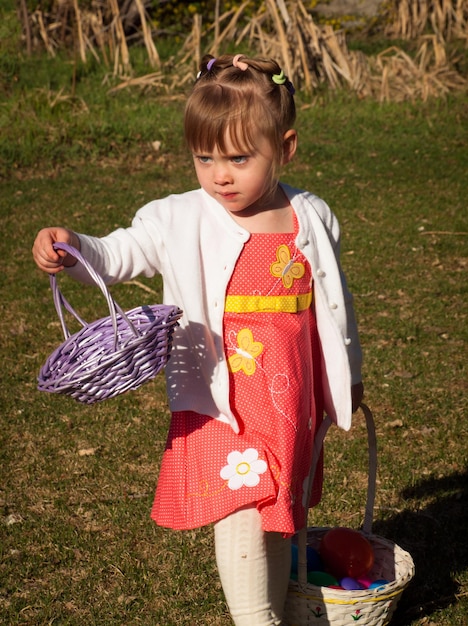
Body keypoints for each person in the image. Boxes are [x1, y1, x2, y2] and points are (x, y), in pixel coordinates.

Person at [32, 53, 364, 626]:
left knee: (277, 510)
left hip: (291, 401)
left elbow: (337, 306)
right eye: (204, 157)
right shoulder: (181, 216)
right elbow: (121, 252)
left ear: (284, 149)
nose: (219, 175)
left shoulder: (308, 215)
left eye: (239, 158)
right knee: (239, 513)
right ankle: (256, 618)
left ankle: (284, 608)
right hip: (224, 403)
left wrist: (350, 376)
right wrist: (74, 245)